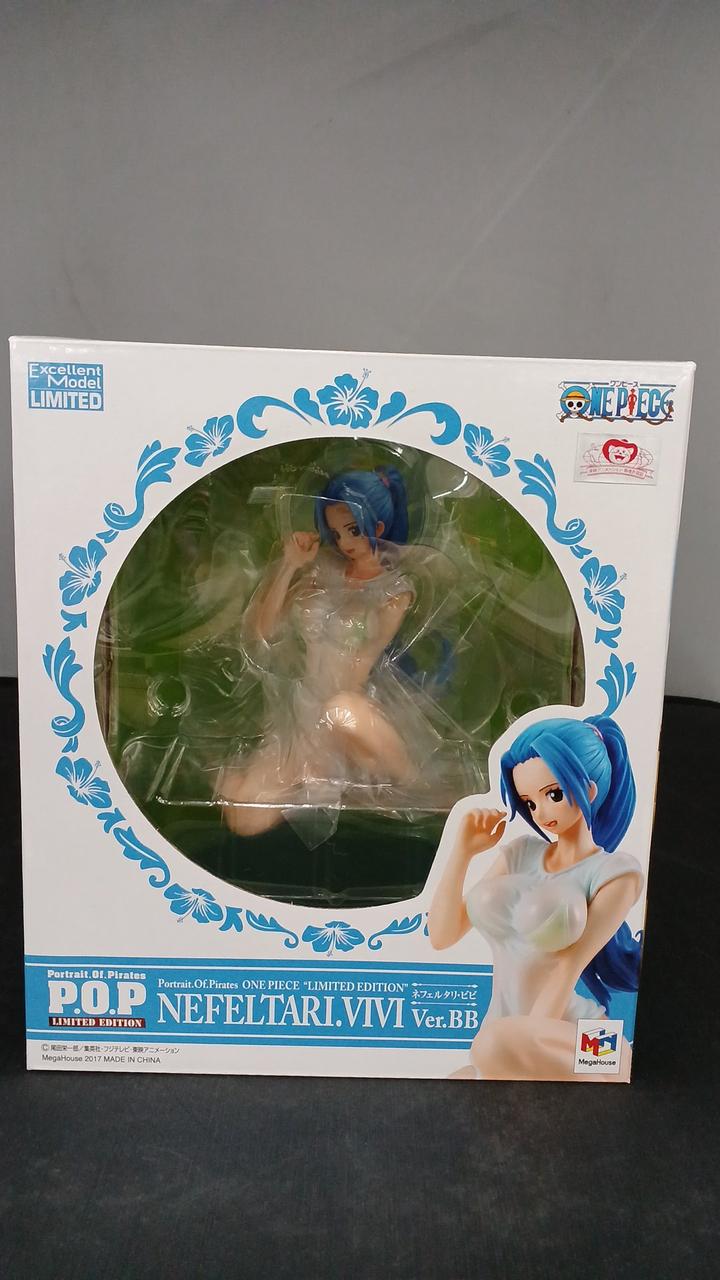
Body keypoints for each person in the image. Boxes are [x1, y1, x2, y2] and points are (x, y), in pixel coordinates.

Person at [218, 467, 476, 841]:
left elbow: (363, 664)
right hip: (303, 706)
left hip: (353, 711)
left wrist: (323, 741)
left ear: (379, 526)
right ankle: (271, 772)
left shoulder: (396, 590)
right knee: (244, 820)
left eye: (353, 530)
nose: (343, 542)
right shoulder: (322, 567)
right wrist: (290, 565)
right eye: (336, 532)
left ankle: (418, 787)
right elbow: (264, 631)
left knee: (341, 710)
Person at [428, 715, 643, 1080]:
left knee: (492, 1049)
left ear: (589, 791)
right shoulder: (521, 852)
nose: (540, 812)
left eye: (553, 794)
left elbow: (568, 965)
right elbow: (442, 936)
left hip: (586, 1044)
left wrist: (525, 1041)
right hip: (508, 1032)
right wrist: (462, 852)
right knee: (462, 1077)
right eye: (528, 802)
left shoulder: (615, 873)